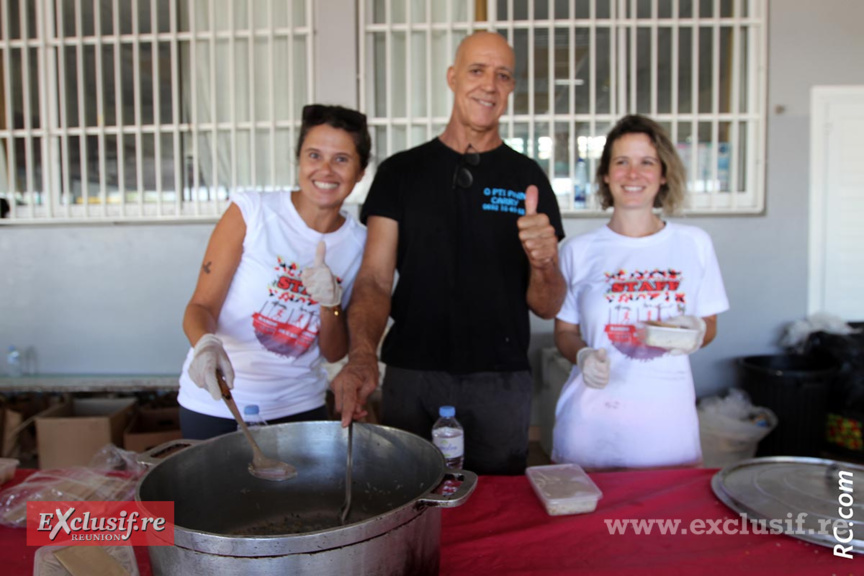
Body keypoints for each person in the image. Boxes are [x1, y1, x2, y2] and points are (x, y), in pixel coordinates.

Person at [331, 31, 566, 475]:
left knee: (496, 511)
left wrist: (544, 262)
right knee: (408, 499)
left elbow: (548, 304)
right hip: (412, 373)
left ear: (511, 87)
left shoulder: (528, 178)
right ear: (453, 77)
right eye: (477, 70)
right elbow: (375, 279)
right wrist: (362, 355)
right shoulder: (402, 172)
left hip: (501, 379)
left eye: (502, 75)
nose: (489, 85)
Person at [177, 104, 370, 440]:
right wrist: (206, 345)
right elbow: (201, 307)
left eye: (341, 159)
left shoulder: (358, 243)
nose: (325, 170)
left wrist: (330, 305)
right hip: (217, 401)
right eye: (314, 155)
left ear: (361, 171)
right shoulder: (252, 212)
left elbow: (334, 351)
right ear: (299, 160)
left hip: (299, 408)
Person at [551, 114, 729, 470]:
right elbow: (565, 333)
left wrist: (696, 333)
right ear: (605, 174)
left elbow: (709, 324)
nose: (633, 174)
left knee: (663, 527)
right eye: (622, 162)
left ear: (663, 174)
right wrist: (583, 355)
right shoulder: (578, 250)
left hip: (667, 433)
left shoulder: (694, 244)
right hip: (590, 431)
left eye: (646, 162)